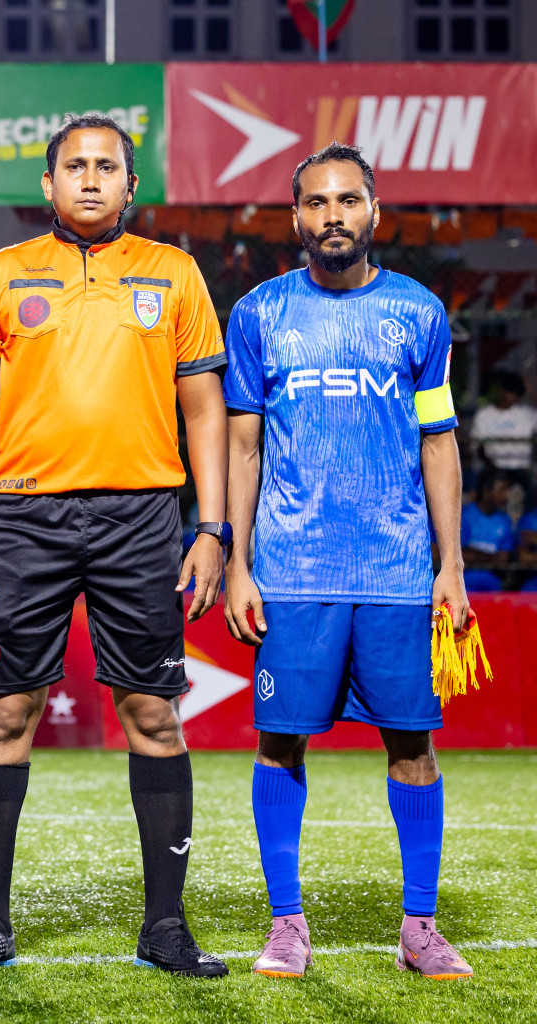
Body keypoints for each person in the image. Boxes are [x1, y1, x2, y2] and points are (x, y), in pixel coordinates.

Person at [0, 114, 229, 977]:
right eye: (76, 166)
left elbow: (205, 409)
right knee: (5, 714)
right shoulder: (2, 274)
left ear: (133, 187)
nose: (92, 178)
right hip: (22, 516)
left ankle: (165, 928)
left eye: (108, 167)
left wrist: (211, 528)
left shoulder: (173, 275)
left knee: (152, 714)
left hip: (142, 517)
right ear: (49, 185)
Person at [224, 142, 474, 981]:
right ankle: (287, 924)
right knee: (279, 743)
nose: (332, 215)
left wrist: (452, 565)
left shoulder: (420, 314)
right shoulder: (259, 313)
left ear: (374, 210)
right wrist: (236, 560)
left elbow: (440, 443)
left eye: (347, 200)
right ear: (295, 218)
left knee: (414, 746)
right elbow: (244, 445)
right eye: (316, 202)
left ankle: (420, 927)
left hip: (400, 573)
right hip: (292, 573)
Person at [469, 372, 535, 482]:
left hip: (521, 469)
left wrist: (530, 391)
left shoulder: (527, 414)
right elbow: (477, 447)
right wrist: (495, 469)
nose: (509, 396)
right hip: (491, 469)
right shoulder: (483, 415)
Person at [460, 471, 514, 593]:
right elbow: (461, 554)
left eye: (507, 490)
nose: (506, 495)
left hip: (493, 586)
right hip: (464, 585)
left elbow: (503, 559)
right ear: (486, 491)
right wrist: (492, 558)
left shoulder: (504, 520)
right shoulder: (464, 515)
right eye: (501, 490)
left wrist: (475, 555)